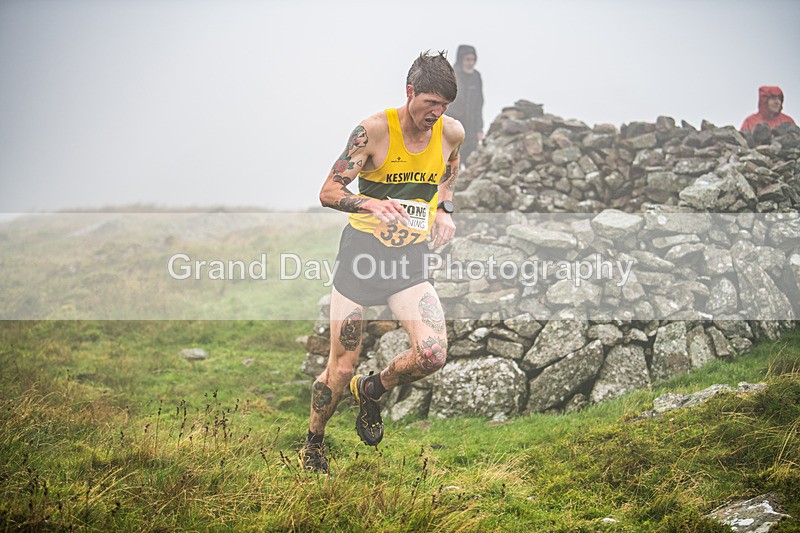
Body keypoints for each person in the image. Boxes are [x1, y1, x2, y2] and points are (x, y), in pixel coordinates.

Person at [300, 51, 465, 474]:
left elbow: (449, 172)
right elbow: (329, 191)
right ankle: (314, 444)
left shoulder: (452, 133)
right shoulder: (372, 131)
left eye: (444, 105)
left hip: (409, 259)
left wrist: (444, 209)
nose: (437, 113)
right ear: (410, 92)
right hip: (362, 259)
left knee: (432, 354)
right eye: (430, 102)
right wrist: (372, 204)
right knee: (340, 367)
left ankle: (373, 389)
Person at [445, 45, 484, 166]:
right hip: (454, 127)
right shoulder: (450, 75)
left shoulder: (476, 77)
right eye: (467, 59)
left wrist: (479, 128)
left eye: (472, 60)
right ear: (461, 59)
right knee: (452, 164)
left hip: (471, 129)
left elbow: (479, 104)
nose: (470, 63)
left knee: (472, 163)